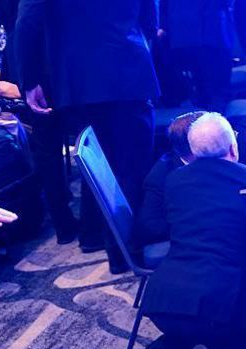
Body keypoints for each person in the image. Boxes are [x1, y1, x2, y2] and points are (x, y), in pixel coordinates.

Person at [16, 0, 159, 272]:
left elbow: (28, 20)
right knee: (134, 168)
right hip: (127, 64)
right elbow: (150, 13)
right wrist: (144, 35)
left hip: (78, 77)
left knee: (101, 167)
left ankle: (118, 253)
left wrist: (30, 79)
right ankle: (135, 249)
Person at [139, 112, 246, 349]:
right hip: (223, 305)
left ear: (192, 151)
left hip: (163, 299)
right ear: (233, 147)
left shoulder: (174, 180)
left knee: (191, 333)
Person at [136, 111, 204, 267]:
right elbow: (150, 226)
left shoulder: (196, 160)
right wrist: (198, 223)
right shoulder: (162, 177)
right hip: (175, 240)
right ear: (196, 148)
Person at [160, 0, 233, 112]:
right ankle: (215, 116)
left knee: (198, 88)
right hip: (210, 31)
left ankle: (204, 113)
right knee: (216, 91)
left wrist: (163, 26)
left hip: (182, 31)